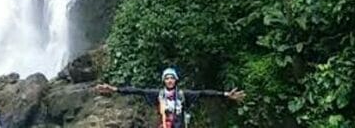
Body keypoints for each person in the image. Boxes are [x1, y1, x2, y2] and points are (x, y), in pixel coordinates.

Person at [95, 67, 245, 128]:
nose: (169, 81)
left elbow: (203, 93)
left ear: (176, 80)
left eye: (172, 78)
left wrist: (225, 94)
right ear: (163, 81)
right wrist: (114, 89)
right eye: (167, 78)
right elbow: (137, 91)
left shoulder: (183, 95)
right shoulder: (157, 94)